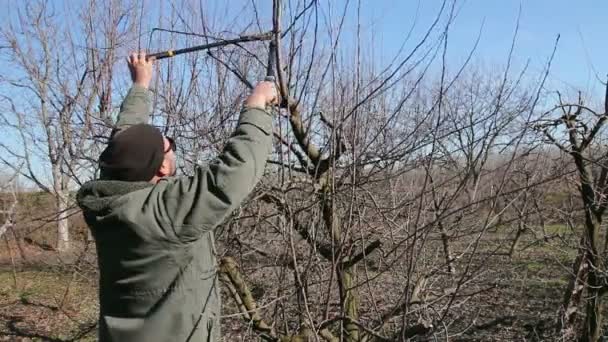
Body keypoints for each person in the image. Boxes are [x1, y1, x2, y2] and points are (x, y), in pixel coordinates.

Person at [77, 51, 277, 341]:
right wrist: (256, 105)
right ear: (160, 165)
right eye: (168, 143)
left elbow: (124, 140)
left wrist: (140, 85)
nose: (172, 146)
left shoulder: (107, 198)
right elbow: (235, 170)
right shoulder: (164, 212)